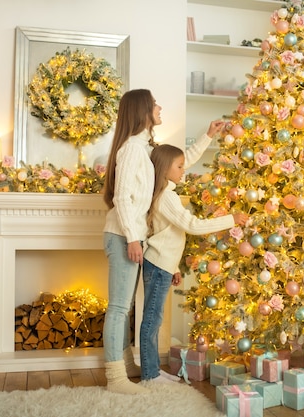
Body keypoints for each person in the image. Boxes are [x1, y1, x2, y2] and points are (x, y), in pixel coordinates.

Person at [102, 88, 226, 395]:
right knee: (119, 307)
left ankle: (129, 366)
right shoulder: (131, 149)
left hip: (132, 235)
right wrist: (133, 238)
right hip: (122, 234)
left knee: (127, 307)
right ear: (142, 111)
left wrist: (207, 136)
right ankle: (115, 378)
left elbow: (175, 162)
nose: (159, 107)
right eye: (154, 104)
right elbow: (122, 197)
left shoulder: (145, 147)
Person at [139, 144, 249, 383]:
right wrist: (231, 219)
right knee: (152, 319)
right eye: (179, 166)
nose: (183, 170)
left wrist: (175, 267)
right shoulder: (167, 197)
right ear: (164, 169)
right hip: (158, 265)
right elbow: (192, 226)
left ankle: (154, 371)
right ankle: (149, 374)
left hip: (163, 264)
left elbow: (167, 234)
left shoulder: (167, 194)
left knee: (154, 319)